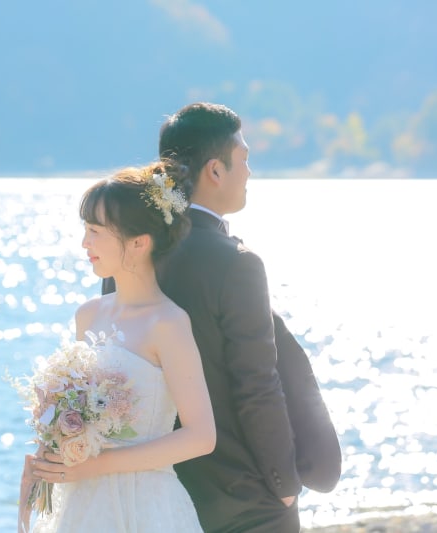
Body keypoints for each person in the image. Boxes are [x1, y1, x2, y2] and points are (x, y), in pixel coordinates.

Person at [104, 102, 341, 532]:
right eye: (244, 158)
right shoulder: (235, 263)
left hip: (154, 492)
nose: (249, 171)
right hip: (244, 499)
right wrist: (284, 485)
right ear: (215, 170)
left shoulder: (128, 254)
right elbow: (256, 384)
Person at [21, 162, 216, 532]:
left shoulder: (168, 323)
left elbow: (201, 437)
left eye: (95, 231)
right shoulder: (88, 315)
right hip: (82, 502)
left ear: (139, 242)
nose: (85, 243)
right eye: (85, 230)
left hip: (145, 505)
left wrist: (95, 466)